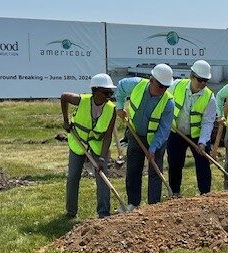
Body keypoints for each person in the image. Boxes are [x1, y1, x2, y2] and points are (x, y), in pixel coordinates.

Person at [115, 64, 174, 208]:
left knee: (155, 172)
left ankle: (153, 206)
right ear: (151, 80)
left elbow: (164, 129)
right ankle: (133, 203)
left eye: (166, 87)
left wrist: (153, 148)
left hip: (156, 139)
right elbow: (121, 86)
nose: (163, 90)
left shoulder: (168, 103)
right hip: (135, 134)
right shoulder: (136, 85)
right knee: (133, 170)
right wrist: (120, 106)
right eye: (160, 86)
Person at [61, 73, 117, 219]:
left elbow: (108, 136)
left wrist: (102, 159)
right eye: (106, 92)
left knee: (102, 176)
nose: (109, 96)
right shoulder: (82, 100)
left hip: (98, 146)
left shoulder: (111, 109)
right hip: (78, 142)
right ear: (95, 90)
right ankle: (71, 212)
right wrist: (66, 121)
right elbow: (64, 96)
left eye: (111, 93)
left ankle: (103, 212)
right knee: (73, 177)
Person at [167, 60, 216, 196]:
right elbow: (165, 102)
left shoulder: (210, 98)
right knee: (175, 163)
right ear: (191, 76)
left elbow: (208, 122)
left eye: (205, 80)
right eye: (200, 80)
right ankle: (175, 192)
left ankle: (205, 194)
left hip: (197, 136)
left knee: (203, 164)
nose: (202, 84)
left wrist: (202, 142)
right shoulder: (176, 86)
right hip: (176, 132)